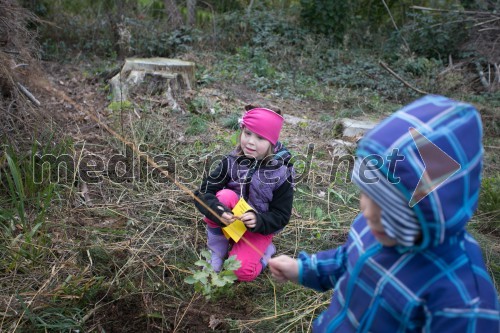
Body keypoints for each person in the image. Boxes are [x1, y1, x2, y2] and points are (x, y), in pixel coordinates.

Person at [269, 95, 500, 332]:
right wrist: (303, 269)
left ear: (433, 212)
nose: (367, 211)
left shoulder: (463, 300)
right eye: (367, 193)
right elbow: (347, 259)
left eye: (389, 208)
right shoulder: (372, 228)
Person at [194, 107, 294, 282]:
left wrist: (259, 221)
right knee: (224, 196)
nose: (250, 142)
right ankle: (217, 251)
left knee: (241, 272)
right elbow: (203, 192)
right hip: (233, 218)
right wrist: (218, 211)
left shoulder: (280, 173)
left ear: (271, 142)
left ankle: (266, 253)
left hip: (259, 228)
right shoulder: (231, 161)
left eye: (260, 137)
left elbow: (282, 215)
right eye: (247, 133)